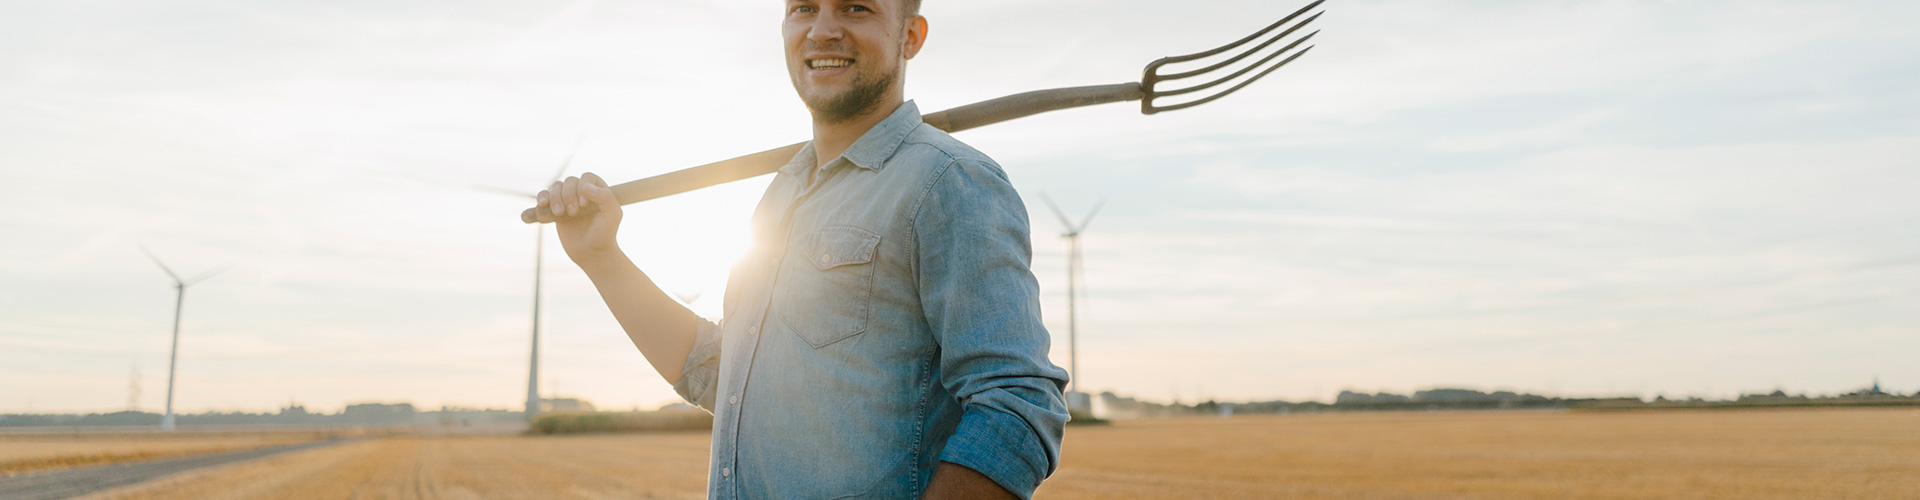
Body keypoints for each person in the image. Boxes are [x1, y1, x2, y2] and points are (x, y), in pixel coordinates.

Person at [535, 0, 1070, 498]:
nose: (822, 29)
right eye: (803, 8)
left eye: (855, 7)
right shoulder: (782, 194)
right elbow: (723, 376)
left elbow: (1017, 406)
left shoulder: (949, 182)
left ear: (911, 35)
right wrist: (601, 259)